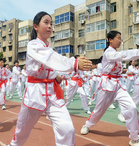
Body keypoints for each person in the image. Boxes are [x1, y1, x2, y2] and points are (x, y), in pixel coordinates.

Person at [7, 11, 92, 146]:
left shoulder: (48, 48)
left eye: (51, 24)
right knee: (22, 130)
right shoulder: (33, 45)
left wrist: (56, 76)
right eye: (46, 22)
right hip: (35, 93)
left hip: (53, 93)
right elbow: (50, 58)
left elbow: (51, 63)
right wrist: (74, 63)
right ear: (35, 26)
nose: (50, 26)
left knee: (67, 129)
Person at [80, 30, 139, 146]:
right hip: (107, 86)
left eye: (120, 38)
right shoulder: (109, 53)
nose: (120, 40)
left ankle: (134, 138)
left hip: (119, 85)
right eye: (118, 38)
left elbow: (120, 63)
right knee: (99, 110)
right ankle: (87, 125)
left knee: (132, 108)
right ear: (110, 40)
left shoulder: (115, 53)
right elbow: (123, 55)